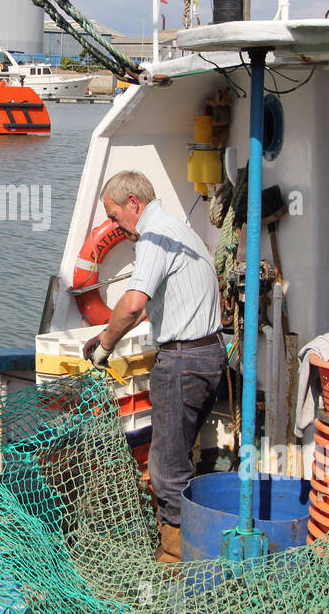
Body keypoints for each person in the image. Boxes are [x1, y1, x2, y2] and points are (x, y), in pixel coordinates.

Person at [82, 170, 224, 563]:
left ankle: (176, 558)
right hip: (209, 354)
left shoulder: (155, 236)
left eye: (114, 216)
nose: (114, 225)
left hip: (183, 361)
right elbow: (171, 300)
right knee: (180, 453)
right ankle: (191, 539)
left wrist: (104, 345)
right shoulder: (180, 229)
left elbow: (132, 303)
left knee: (166, 465)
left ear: (134, 203)